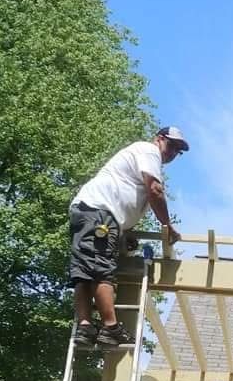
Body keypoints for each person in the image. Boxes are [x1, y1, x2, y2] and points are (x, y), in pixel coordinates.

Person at [68, 126, 188, 346]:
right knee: (100, 271)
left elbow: (126, 194)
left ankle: (85, 328)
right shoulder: (148, 151)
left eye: (177, 151)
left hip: (93, 213)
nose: (172, 153)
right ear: (159, 139)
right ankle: (110, 327)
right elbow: (154, 190)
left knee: (85, 272)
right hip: (99, 213)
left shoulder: (139, 157)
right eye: (171, 146)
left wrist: (123, 232)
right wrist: (167, 225)